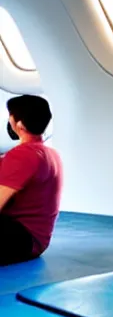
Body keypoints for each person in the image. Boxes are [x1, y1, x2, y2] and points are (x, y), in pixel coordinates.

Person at [0, 95, 63, 266]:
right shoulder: (50, 153)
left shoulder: (23, 155)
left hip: (21, 239)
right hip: (36, 241)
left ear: (19, 124)